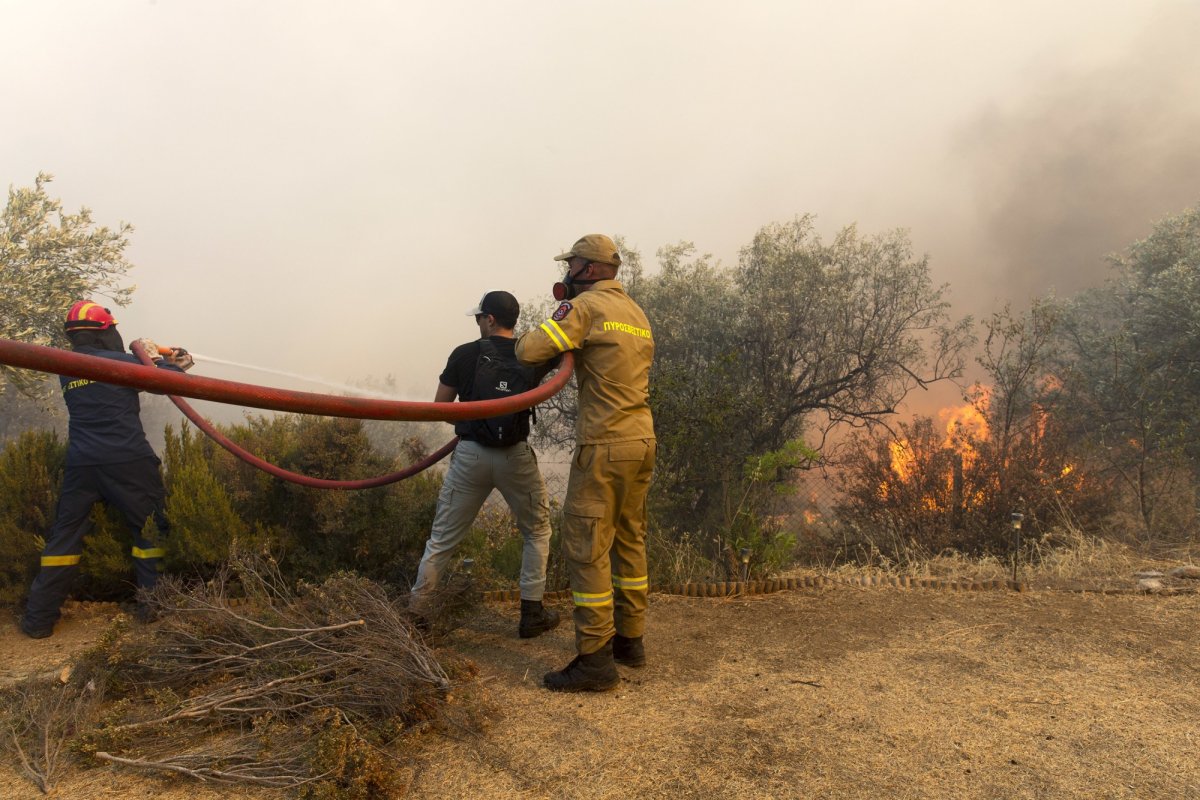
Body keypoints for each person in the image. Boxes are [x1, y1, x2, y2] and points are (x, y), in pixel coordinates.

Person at [515, 234, 655, 692]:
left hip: (605, 443)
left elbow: (530, 351)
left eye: (572, 264)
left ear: (589, 270)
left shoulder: (586, 308)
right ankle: (629, 641)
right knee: (629, 538)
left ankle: (595, 660)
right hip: (642, 440)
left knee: (586, 541)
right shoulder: (636, 313)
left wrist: (561, 315)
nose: (567, 271)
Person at [19, 301, 193, 639]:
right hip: (128, 460)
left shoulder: (66, 367)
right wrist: (177, 361)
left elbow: (126, 379)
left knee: (63, 540)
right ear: (106, 332)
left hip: (82, 464)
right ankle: (154, 611)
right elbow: (167, 381)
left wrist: (145, 358)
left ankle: (37, 622)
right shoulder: (120, 362)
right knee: (151, 533)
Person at [412, 290, 560, 638]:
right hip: (515, 456)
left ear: (489, 319)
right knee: (537, 531)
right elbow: (566, 352)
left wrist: (475, 416)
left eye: (479, 317)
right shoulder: (532, 355)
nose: (478, 323)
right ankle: (531, 614)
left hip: (470, 455)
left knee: (442, 540)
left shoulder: (464, 354)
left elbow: (440, 406)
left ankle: (417, 616)